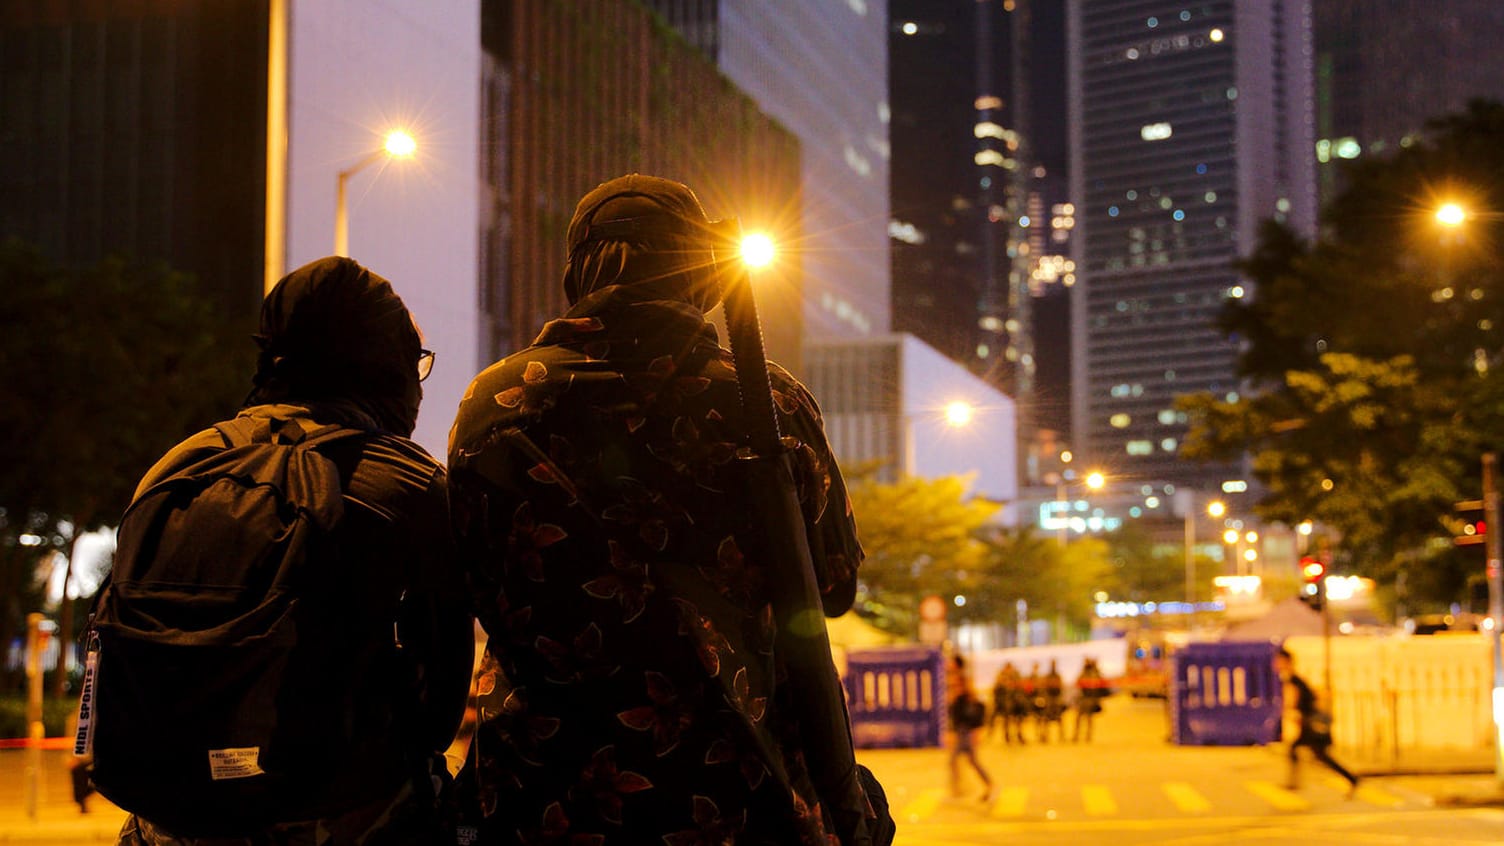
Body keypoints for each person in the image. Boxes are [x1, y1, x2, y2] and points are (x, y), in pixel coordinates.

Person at [448, 174, 880, 844]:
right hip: (742, 798)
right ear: (701, 274)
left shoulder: (496, 402)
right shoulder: (770, 403)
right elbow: (834, 586)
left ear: (580, 273)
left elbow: (466, 583)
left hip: (543, 799)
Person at [114, 256, 475, 845]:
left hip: (170, 818)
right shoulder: (410, 485)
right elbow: (441, 701)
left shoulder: (176, 468)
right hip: (344, 818)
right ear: (383, 363)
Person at [1275, 646, 1359, 796]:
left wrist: (1290, 712)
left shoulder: (1293, 678)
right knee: (1311, 753)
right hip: (1309, 723)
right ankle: (1351, 778)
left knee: (1314, 754)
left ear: (1286, 661)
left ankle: (1352, 778)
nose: (1276, 664)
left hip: (1311, 724)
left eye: (1279, 661)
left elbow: (1295, 699)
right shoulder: (1295, 678)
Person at [1072, 658, 1109, 743]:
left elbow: (1099, 686)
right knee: (1080, 718)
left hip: (1090, 699)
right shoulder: (1084, 673)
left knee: (1088, 719)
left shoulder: (1094, 673)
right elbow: (1078, 683)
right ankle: (1077, 735)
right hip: (1084, 699)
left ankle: (1087, 735)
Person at [989, 663, 1027, 744]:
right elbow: (997, 694)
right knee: (1007, 713)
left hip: (1014, 703)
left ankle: (1019, 733)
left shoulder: (1015, 679)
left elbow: (1019, 691)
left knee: (1020, 712)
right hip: (1003, 704)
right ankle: (1007, 735)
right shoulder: (1001, 680)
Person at [1037, 660, 1066, 743]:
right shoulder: (1048, 677)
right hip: (1049, 700)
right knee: (1046, 719)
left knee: (1059, 719)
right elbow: (1044, 687)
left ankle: (1061, 737)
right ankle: (1044, 736)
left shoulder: (1057, 676)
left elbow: (1061, 688)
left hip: (1056, 700)